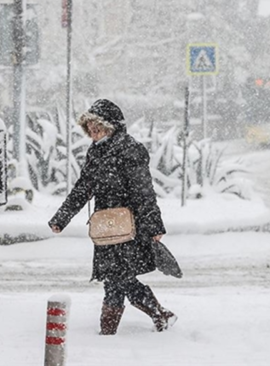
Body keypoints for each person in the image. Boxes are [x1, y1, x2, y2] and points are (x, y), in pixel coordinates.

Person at [48, 99, 177, 335]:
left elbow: (144, 191)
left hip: (130, 226)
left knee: (118, 277)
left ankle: (110, 331)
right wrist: (61, 218)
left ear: (112, 126)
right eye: (90, 127)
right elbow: (83, 188)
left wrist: (154, 225)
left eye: (98, 126)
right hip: (106, 227)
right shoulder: (95, 152)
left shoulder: (130, 150)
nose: (93, 132)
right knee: (116, 277)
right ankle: (158, 315)